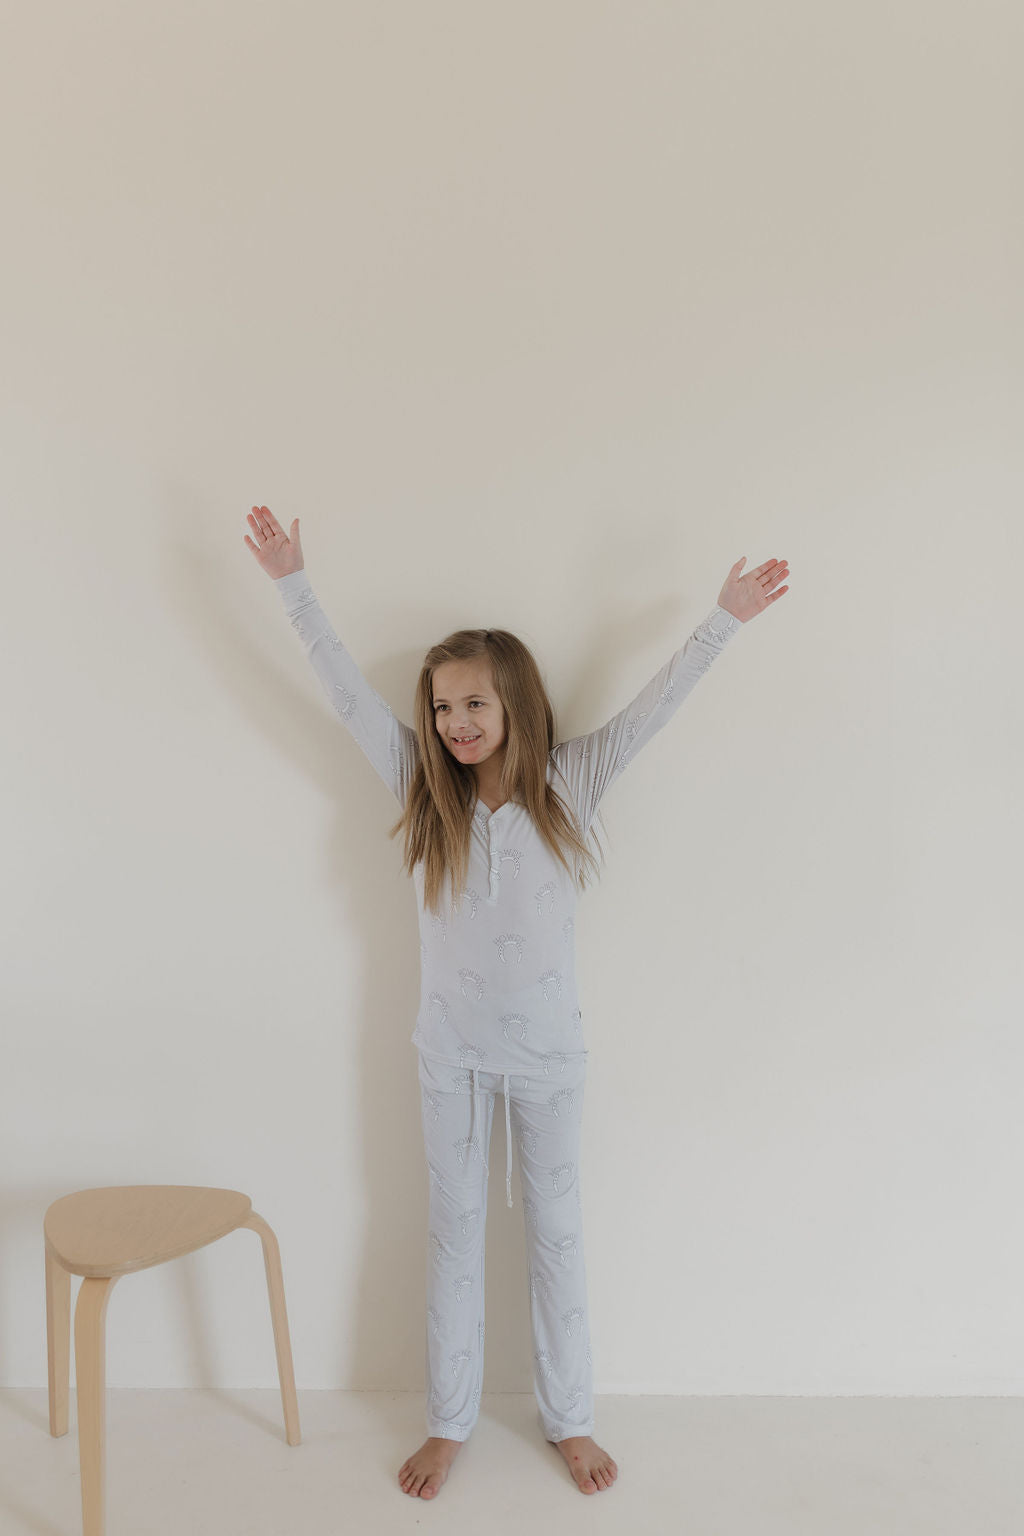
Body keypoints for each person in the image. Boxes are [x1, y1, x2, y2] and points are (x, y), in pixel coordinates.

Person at [244, 504, 789, 1499]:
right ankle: (448, 1424)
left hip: (548, 1059)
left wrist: (724, 618)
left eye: (474, 707)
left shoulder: (569, 783)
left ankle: (568, 1419)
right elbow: (342, 698)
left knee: (557, 1234)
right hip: (447, 1055)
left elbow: (653, 712)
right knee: (452, 1235)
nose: (455, 724)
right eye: (443, 707)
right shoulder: (419, 783)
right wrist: (292, 583)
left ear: (515, 708)